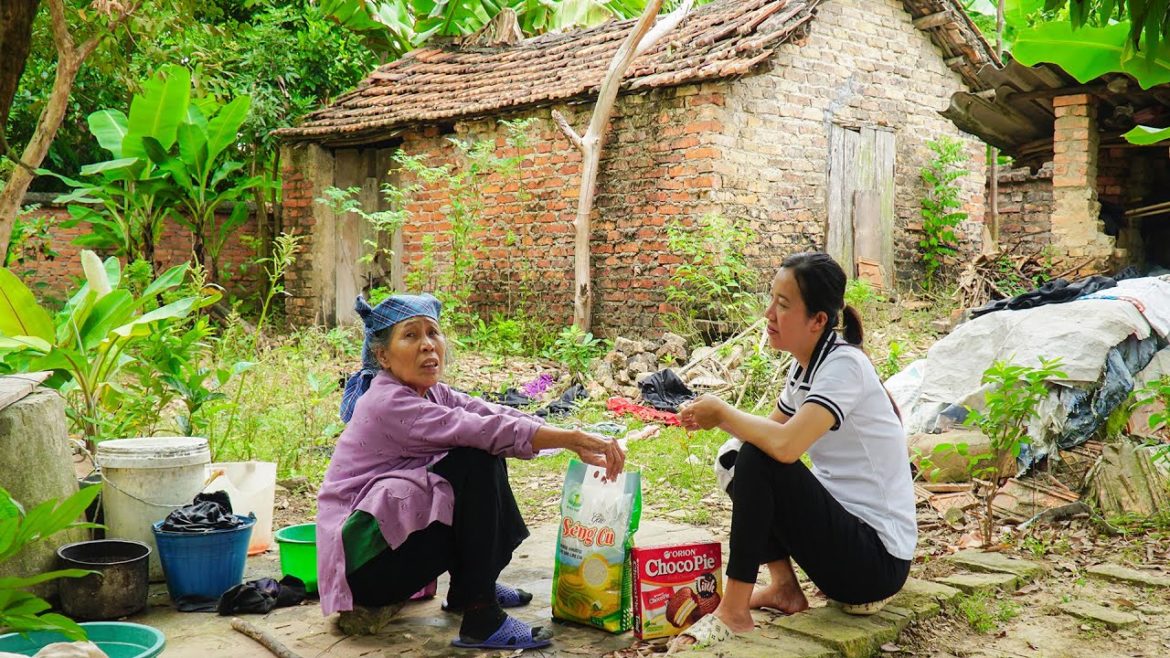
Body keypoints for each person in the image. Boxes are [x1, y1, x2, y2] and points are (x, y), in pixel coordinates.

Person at [316, 293, 625, 651]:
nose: (428, 346)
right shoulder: (388, 402)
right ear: (382, 356)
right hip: (366, 568)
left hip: (387, 544)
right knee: (476, 457)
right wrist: (571, 439)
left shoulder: (431, 393)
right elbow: (481, 431)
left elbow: (493, 415)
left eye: (433, 333)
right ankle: (480, 616)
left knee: (480, 454)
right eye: (411, 336)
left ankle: (468, 588)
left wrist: (571, 437)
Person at [668, 252, 916, 652]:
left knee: (756, 456)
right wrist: (720, 419)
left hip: (876, 562)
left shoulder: (844, 367)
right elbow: (765, 433)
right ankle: (784, 589)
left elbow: (783, 446)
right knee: (736, 456)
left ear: (818, 321)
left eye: (783, 306)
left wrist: (723, 412)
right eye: (771, 300)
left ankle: (733, 611)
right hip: (844, 542)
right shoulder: (805, 367)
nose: (769, 314)